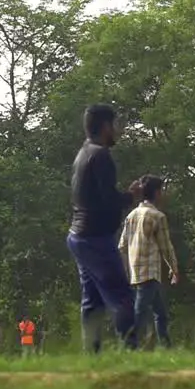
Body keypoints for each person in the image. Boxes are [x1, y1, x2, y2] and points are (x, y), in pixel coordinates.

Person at [69, 104, 142, 352]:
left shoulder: (83, 153)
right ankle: (131, 352)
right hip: (95, 238)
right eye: (115, 125)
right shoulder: (100, 155)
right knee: (121, 297)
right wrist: (131, 196)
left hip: (79, 237)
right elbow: (108, 200)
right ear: (105, 126)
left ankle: (92, 356)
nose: (118, 131)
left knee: (92, 302)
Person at [118, 175, 179, 349]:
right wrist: (174, 268)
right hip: (150, 272)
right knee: (140, 312)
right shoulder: (157, 216)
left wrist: (126, 268)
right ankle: (129, 345)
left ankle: (166, 347)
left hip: (135, 271)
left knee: (160, 313)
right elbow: (165, 247)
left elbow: (122, 245)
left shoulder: (131, 216)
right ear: (157, 193)